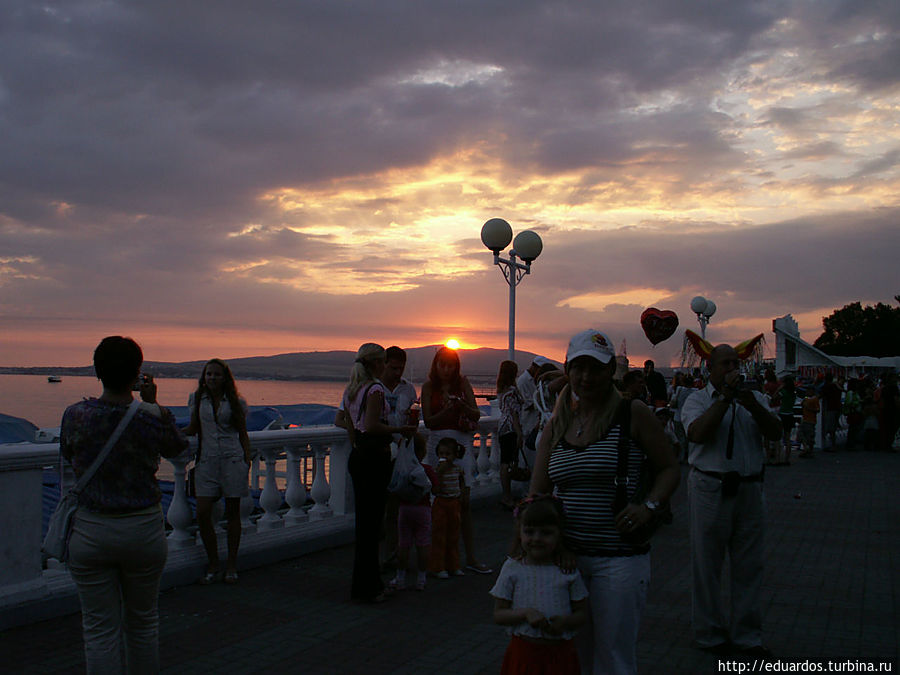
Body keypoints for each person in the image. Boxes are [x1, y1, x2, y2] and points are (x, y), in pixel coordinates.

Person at [530, 329, 679, 674]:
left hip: (621, 558)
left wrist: (649, 507)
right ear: (567, 367)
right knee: (574, 655)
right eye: (578, 367)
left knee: (613, 657)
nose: (586, 377)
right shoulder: (556, 426)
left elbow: (669, 469)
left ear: (610, 369)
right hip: (567, 560)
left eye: (595, 368)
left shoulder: (632, 414)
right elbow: (536, 496)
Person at [60, 336, 187, 673]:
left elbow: (68, 455)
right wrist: (155, 405)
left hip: (91, 530)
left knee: (99, 629)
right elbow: (178, 449)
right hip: (142, 529)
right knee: (143, 624)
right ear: (137, 374)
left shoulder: (76, 415)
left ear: (97, 371)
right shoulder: (151, 417)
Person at [681, 344, 782, 657]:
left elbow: (776, 432)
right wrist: (724, 399)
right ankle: (710, 632)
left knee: (749, 565)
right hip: (711, 487)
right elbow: (697, 434)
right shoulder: (697, 400)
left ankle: (747, 636)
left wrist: (753, 405)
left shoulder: (756, 399)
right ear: (709, 368)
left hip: (750, 489)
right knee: (707, 564)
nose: (731, 369)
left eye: (735, 363)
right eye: (724, 364)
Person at [342, 343, 416, 603]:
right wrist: (400, 431)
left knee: (364, 526)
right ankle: (369, 587)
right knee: (372, 526)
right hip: (374, 458)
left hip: (358, 455)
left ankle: (364, 585)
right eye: (384, 361)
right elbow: (372, 425)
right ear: (376, 363)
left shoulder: (353, 389)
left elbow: (351, 423)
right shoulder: (374, 389)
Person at [491, 495, 589, 675]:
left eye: (546, 533)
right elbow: (499, 614)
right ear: (519, 533)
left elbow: (582, 614)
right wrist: (525, 613)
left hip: (561, 655)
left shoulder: (567, 570)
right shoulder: (513, 568)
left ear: (559, 534)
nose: (537, 538)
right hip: (524, 654)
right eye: (529, 531)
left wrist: (566, 621)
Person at [421, 346, 491, 574]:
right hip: (438, 445)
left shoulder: (463, 384)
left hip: (460, 447)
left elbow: (476, 414)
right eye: (442, 365)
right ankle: (438, 559)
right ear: (436, 365)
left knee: (463, 501)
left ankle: (468, 557)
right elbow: (429, 421)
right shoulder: (429, 387)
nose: (446, 370)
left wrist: (461, 406)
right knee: (439, 503)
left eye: (450, 365)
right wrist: (448, 411)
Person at [182, 358, 252, 585]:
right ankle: (213, 562)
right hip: (207, 460)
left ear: (225, 378)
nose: (212, 378)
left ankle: (231, 564)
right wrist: (171, 432)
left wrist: (245, 459)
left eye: (216, 374)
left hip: (232, 459)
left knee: (233, 514)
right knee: (203, 512)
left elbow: (242, 432)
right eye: (208, 374)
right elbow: (194, 427)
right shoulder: (196, 399)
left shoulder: (235, 402)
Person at [380, 346, 420, 569]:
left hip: (402, 452)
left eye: (400, 368)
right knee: (380, 507)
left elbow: (411, 419)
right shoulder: (373, 388)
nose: (397, 372)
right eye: (393, 367)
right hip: (381, 450)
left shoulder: (408, 390)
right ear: (384, 364)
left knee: (396, 507)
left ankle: (393, 553)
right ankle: (382, 553)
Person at [389, 435, 435, 592]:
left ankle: (400, 577)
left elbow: (394, 490)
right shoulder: (426, 470)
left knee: (404, 544)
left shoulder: (401, 471)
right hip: (423, 510)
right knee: (423, 544)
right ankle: (421, 579)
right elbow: (436, 487)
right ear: (423, 452)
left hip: (404, 509)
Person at [428, 437, 466, 579]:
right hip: (441, 503)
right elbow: (434, 488)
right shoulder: (437, 470)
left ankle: (453, 565)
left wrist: (461, 494)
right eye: (441, 454)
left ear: (455, 455)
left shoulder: (458, 468)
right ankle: (437, 566)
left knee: (453, 535)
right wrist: (439, 472)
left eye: (447, 454)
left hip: (454, 502)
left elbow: (461, 481)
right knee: (439, 535)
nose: (444, 457)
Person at [496, 360, 526, 510]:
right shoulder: (511, 392)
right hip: (510, 429)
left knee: (504, 462)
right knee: (507, 463)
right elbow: (514, 414)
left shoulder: (502, 390)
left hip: (502, 428)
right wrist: (519, 433)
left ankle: (505, 495)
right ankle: (507, 496)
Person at [516, 357, 550, 452]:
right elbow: (527, 404)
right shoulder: (523, 381)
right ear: (535, 367)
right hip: (528, 423)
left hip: (535, 423)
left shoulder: (535, 380)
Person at [776, 375, 796, 466]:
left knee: (779, 438)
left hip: (782, 414)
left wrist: (779, 389)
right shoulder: (793, 393)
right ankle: (787, 459)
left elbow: (774, 397)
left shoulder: (783, 392)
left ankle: (778, 458)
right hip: (790, 414)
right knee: (787, 439)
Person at [820, 373, 842, 451]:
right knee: (833, 427)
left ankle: (831, 445)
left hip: (830, 408)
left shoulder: (825, 387)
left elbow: (821, 396)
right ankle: (833, 444)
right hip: (837, 408)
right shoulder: (836, 386)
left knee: (829, 427)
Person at [798, 387, 820, 458]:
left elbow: (817, 410)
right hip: (805, 419)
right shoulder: (806, 398)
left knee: (809, 436)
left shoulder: (815, 399)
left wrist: (809, 408)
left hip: (811, 420)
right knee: (801, 434)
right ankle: (805, 448)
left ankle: (810, 450)